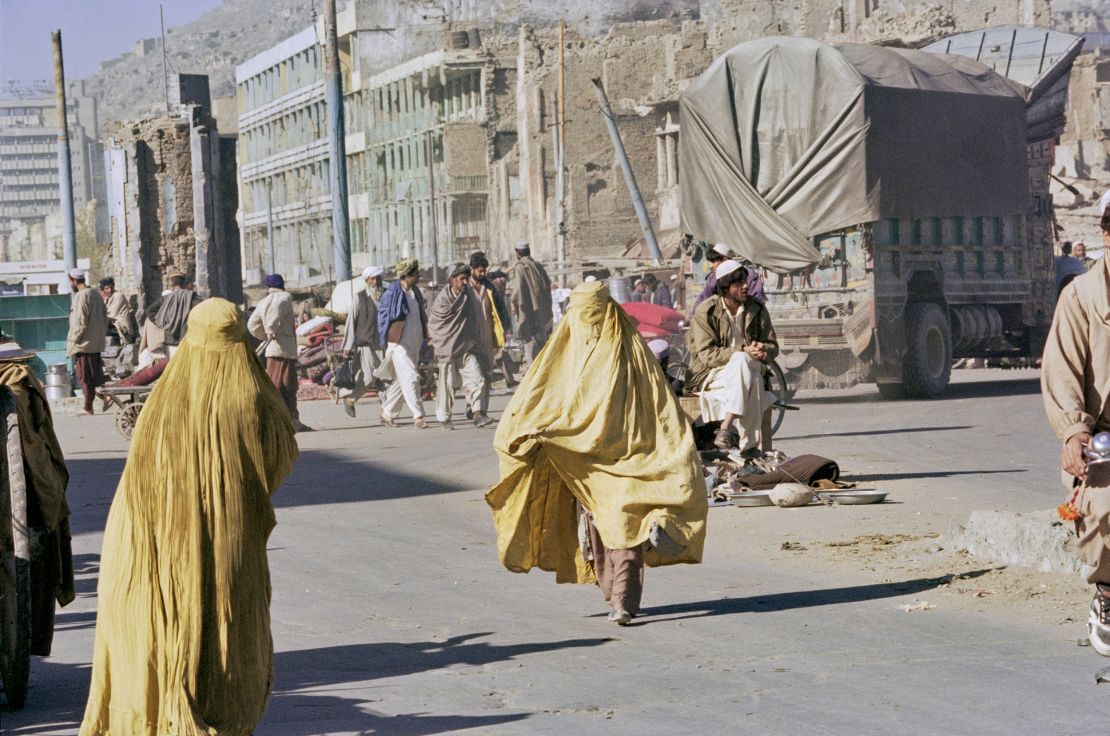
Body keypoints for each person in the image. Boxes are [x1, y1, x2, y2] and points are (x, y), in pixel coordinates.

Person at [79, 298, 298, 736]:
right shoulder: (254, 393)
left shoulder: (162, 400)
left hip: (146, 538)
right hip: (230, 534)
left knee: (155, 626)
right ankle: (226, 715)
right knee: (227, 624)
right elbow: (280, 455)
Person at [486, 281, 708, 625]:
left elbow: (658, 405)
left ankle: (622, 600)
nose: (588, 324)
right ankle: (614, 596)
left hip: (625, 456)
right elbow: (537, 401)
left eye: (594, 315)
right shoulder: (568, 352)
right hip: (588, 461)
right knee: (602, 527)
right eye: (583, 315)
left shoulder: (625, 352)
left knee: (622, 524)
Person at [1043, 207, 1110, 655]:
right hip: (1103, 439)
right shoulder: (1082, 296)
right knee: (1104, 508)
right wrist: (1073, 431)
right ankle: (1107, 594)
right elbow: (1063, 370)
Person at [686, 260, 779, 452]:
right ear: (725, 288)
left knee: (745, 363)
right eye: (739, 284)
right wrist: (742, 350)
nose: (746, 286)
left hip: (751, 366)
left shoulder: (757, 309)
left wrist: (764, 349)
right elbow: (707, 355)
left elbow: (773, 347)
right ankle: (750, 449)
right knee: (754, 381)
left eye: (745, 281)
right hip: (713, 374)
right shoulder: (706, 311)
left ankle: (725, 427)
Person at [429, 263, 493, 429]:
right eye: (462, 279)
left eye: (466, 278)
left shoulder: (469, 295)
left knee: (476, 378)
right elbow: (436, 325)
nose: (465, 282)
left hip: (465, 346)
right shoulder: (442, 301)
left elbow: (474, 319)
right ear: (452, 280)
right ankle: (444, 418)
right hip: (447, 349)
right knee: (447, 385)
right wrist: (440, 343)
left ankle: (478, 414)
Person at [248, 274, 310, 432]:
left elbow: (253, 324)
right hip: (283, 351)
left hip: (274, 350)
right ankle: (285, 421)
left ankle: (290, 420)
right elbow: (275, 311)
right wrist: (270, 330)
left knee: (282, 386)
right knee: (285, 387)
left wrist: (264, 334)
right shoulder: (284, 297)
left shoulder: (263, 302)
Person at [375, 258, 428, 428]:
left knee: (402, 380)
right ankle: (418, 416)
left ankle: (387, 412)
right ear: (406, 275)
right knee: (411, 377)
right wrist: (386, 340)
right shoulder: (392, 293)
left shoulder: (415, 292)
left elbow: (420, 316)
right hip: (398, 345)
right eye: (415, 273)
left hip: (414, 342)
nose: (419, 275)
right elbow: (382, 318)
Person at [339, 266, 382, 418]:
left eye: (377, 278)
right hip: (367, 343)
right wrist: (347, 346)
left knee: (386, 376)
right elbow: (351, 323)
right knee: (370, 377)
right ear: (366, 280)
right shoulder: (359, 298)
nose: (375, 281)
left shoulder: (385, 296)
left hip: (384, 343)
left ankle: (386, 412)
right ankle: (350, 398)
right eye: (372, 278)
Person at [66, 269, 108, 415]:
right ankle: (95, 401)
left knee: (84, 377)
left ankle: (87, 407)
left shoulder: (81, 296)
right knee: (93, 374)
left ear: (73, 280)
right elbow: (104, 317)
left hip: (84, 344)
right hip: (95, 342)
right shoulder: (95, 294)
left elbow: (80, 322)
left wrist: (74, 340)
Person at [470, 251, 512, 389]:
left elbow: (501, 308)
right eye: (480, 271)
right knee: (474, 374)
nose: (483, 274)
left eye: (484, 271)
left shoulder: (489, 287)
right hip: (470, 338)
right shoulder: (465, 288)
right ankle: (474, 407)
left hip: (487, 336)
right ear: (472, 269)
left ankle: (480, 409)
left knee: (487, 373)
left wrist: (506, 328)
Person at [508, 241, 553, 364]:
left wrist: (512, 302)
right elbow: (548, 284)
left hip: (528, 309)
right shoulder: (537, 265)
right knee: (541, 338)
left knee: (529, 341)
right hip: (541, 309)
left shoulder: (520, 267)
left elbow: (517, 289)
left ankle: (533, 371)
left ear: (517, 253)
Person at [147, 272, 202, 356]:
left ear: (171, 284)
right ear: (184, 283)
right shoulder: (192, 297)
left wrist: (163, 323)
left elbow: (149, 311)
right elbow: (205, 308)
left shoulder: (166, 298)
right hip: (187, 340)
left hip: (170, 341)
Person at [99, 277, 136, 345]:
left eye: (111, 287)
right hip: (113, 324)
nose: (110, 290)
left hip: (121, 326)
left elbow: (111, 315)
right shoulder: (106, 299)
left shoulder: (119, 296)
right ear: (103, 290)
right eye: (107, 288)